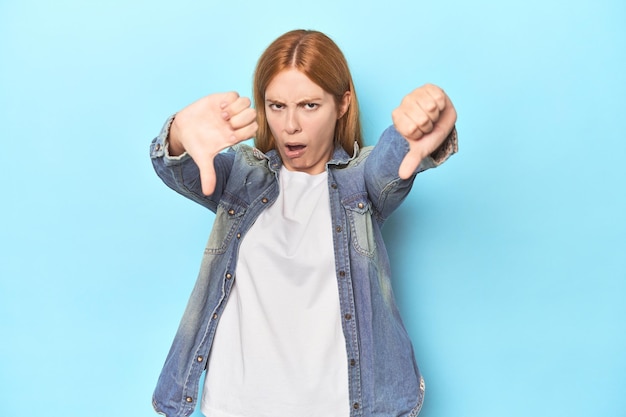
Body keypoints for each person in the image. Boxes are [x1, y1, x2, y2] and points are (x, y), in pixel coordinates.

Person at [149, 29, 458, 417]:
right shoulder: (241, 179)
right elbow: (177, 166)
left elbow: (395, 160)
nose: (290, 125)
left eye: (309, 105)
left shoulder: (360, 183)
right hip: (235, 406)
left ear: (342, 103)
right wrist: (177, 134)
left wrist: (421, 127)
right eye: (276, 105)